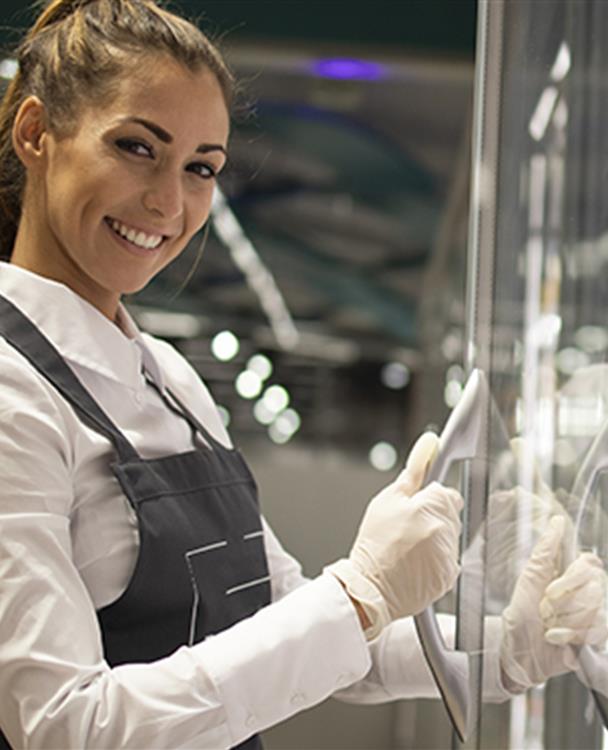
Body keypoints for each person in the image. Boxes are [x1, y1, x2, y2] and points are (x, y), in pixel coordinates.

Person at [0, 2, 603, 748]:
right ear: (35, 133)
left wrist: (499, 650)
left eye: (201, 168)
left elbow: (285, 627)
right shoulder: (11, 393)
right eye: (135, 147)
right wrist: (360, 593)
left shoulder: (170, 381)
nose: (168, 201)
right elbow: (64, 726)